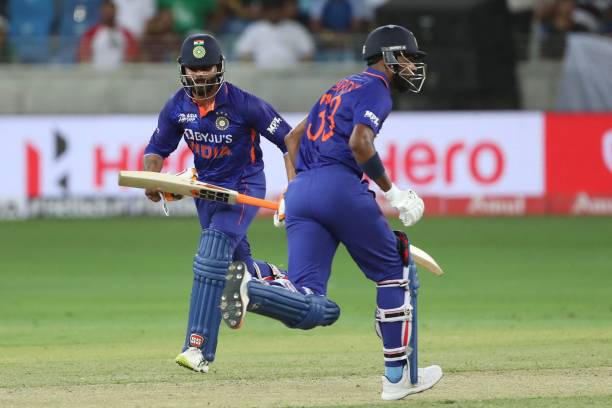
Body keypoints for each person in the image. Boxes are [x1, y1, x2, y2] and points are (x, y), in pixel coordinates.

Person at [220, 25, 442, 400]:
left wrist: (293, 190)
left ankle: (251, 283)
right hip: (340, 187)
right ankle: (396, 378)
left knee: (307, 295)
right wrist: (395, 193)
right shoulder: (377, 88)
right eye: (406, 57)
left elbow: (292, 139)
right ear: (387, 57)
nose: (410, 66)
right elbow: (360, 142)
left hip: (304, 193)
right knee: (393, 272)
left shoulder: (339, 87)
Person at [143, 33, 295, 373]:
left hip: (243, 187)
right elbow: (156, 150)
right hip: (205, 190)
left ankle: (197, 349)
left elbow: (289, 139)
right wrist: (153, 179)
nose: (199, 74)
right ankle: (285, 284)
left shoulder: (244, 104)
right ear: (183, 70)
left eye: (206, 66)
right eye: (193, 68)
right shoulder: (177, 107)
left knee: (211, 255)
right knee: (234, 270)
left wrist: (294, 188)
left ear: (219, 67)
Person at [234, 0, 315, 69]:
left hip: (290, 75)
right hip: (261, 74)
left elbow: (308, 53)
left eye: (277, 9)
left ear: (282, 10)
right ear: (265, 11)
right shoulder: (255, 29)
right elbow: (243, 53)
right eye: (271, 10)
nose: (274, 13)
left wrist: (297, 68)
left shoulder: (296, 28)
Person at [78, 0, 139, 70]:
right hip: (96, 77)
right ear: (101, 11)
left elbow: (133, 57)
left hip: (121, 77)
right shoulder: (91, 33)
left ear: (116, 11)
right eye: (106, 10)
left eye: (111, 10)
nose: (109, 13)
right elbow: (83, 58)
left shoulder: (126, 34)